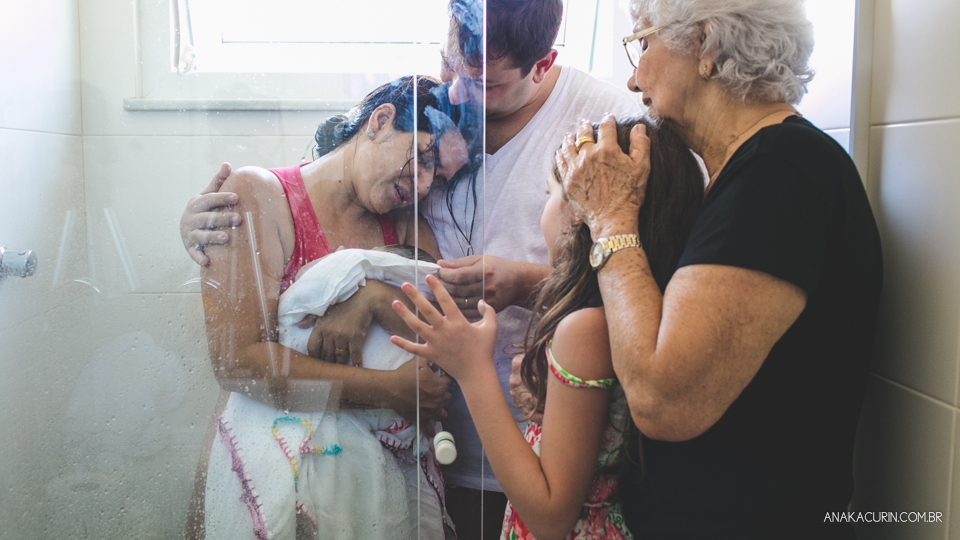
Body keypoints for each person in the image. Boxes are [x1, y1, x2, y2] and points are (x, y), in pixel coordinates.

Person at [180, 1, 640, 538]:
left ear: (543, 64)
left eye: (485, 84)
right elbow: (317, 187)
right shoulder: (420, 141)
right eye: (451, 67)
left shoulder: (605, 123)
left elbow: (640, 278)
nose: (461, 92)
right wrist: (206, 229)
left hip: (537, 449)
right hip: (423, 453)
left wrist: (513, 284)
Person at [554, 0, 882, 538]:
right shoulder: (755, 172)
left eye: (642, 41)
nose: (634, 78)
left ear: (704, 46)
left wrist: (610, 216)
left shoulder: (781, 174)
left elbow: (664, 400)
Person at [389, 117, 704, 540]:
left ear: (579, 212)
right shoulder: (640, 310)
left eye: (550, 194)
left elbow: (550, 516)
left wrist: (471, 368)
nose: (546, 208)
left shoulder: (585, 329)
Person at [192, 76, 468, 540]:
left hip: (382, 482)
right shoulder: (259, 195)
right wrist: (386, 388)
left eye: (436, 179)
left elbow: (440, 350)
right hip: (277, 457)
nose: (421, 185)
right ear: (380, 121)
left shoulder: (407, 226)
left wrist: (374, 297)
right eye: (421, 159)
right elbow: (237, 363)